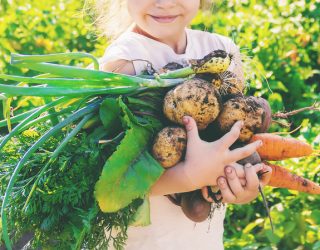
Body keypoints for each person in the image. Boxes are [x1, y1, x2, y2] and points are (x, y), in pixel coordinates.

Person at [93, 1, 272, 249]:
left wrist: (240, 184)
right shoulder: (123, 63)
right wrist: (189, 177)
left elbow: (232, 134)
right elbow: (110, 183)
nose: (164, 3)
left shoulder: (221, 50)